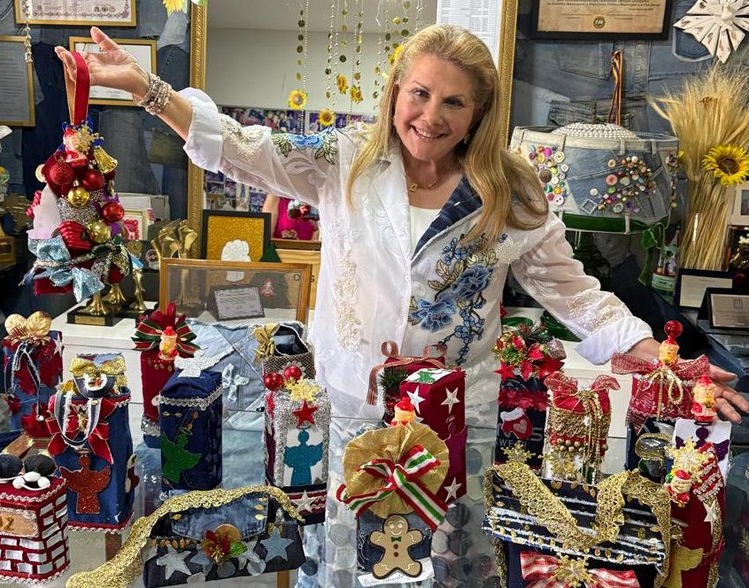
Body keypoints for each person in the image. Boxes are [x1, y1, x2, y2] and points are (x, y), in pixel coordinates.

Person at [57, 25, 748, 586]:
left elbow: (573, 292)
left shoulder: (511, 191)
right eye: (419, 93)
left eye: (454, 103)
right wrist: (147, 88)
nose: (431, 116)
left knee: (447, 564)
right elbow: (242, 147)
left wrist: (650, 352)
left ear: (479, 114)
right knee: (344, 561)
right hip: (349, 412)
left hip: (457, 426)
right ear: (395, 93)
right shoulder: (345, 159)